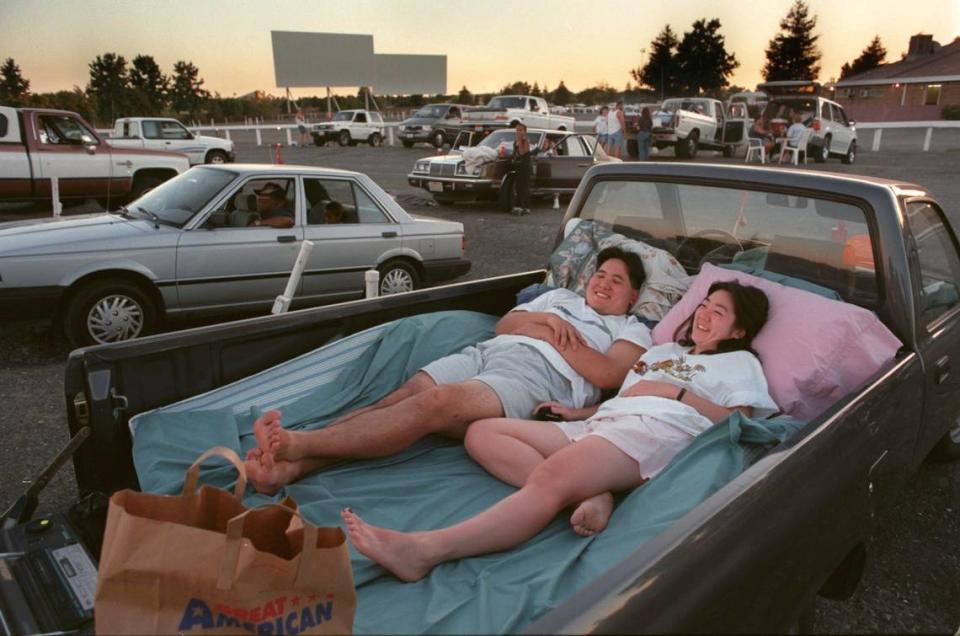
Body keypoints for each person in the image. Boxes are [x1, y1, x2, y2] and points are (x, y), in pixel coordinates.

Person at [340, 281, 778, 582]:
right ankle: (592, 491)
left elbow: (740, 420)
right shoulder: (664, 350)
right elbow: (622, 396)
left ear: (738, 329)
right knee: (483, 433)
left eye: (718, 312)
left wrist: (677, 394)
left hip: (658, 429)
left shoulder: (742, 364)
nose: (704, 315)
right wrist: (577, 412)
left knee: (551, 478)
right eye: (703, 305)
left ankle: (426, 551)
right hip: (608, 421)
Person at [245, 248, 654, 494]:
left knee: (435, 403)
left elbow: (605, 375)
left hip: (536, 377)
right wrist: (548, 324)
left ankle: (299, 444)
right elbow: (505, 325)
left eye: (616, 280)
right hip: (490, 351)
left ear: (633, 295)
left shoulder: (631, 328)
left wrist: (547, 338)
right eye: (600, 273)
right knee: (402, 397)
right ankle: (294, 465)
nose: (603, 283)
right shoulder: (560, 298)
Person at [510, 123, 533, 216]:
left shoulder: (525, 140)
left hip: (525, 166)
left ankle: (525, 206)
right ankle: (519, 205)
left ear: (525, 131)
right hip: (518, 166)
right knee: (518, 187)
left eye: (520, 130)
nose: (518, 132)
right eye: (517, 130)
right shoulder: (515, 141)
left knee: (524, 187)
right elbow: (515, 153)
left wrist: (520, 140)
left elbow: (523, 152)